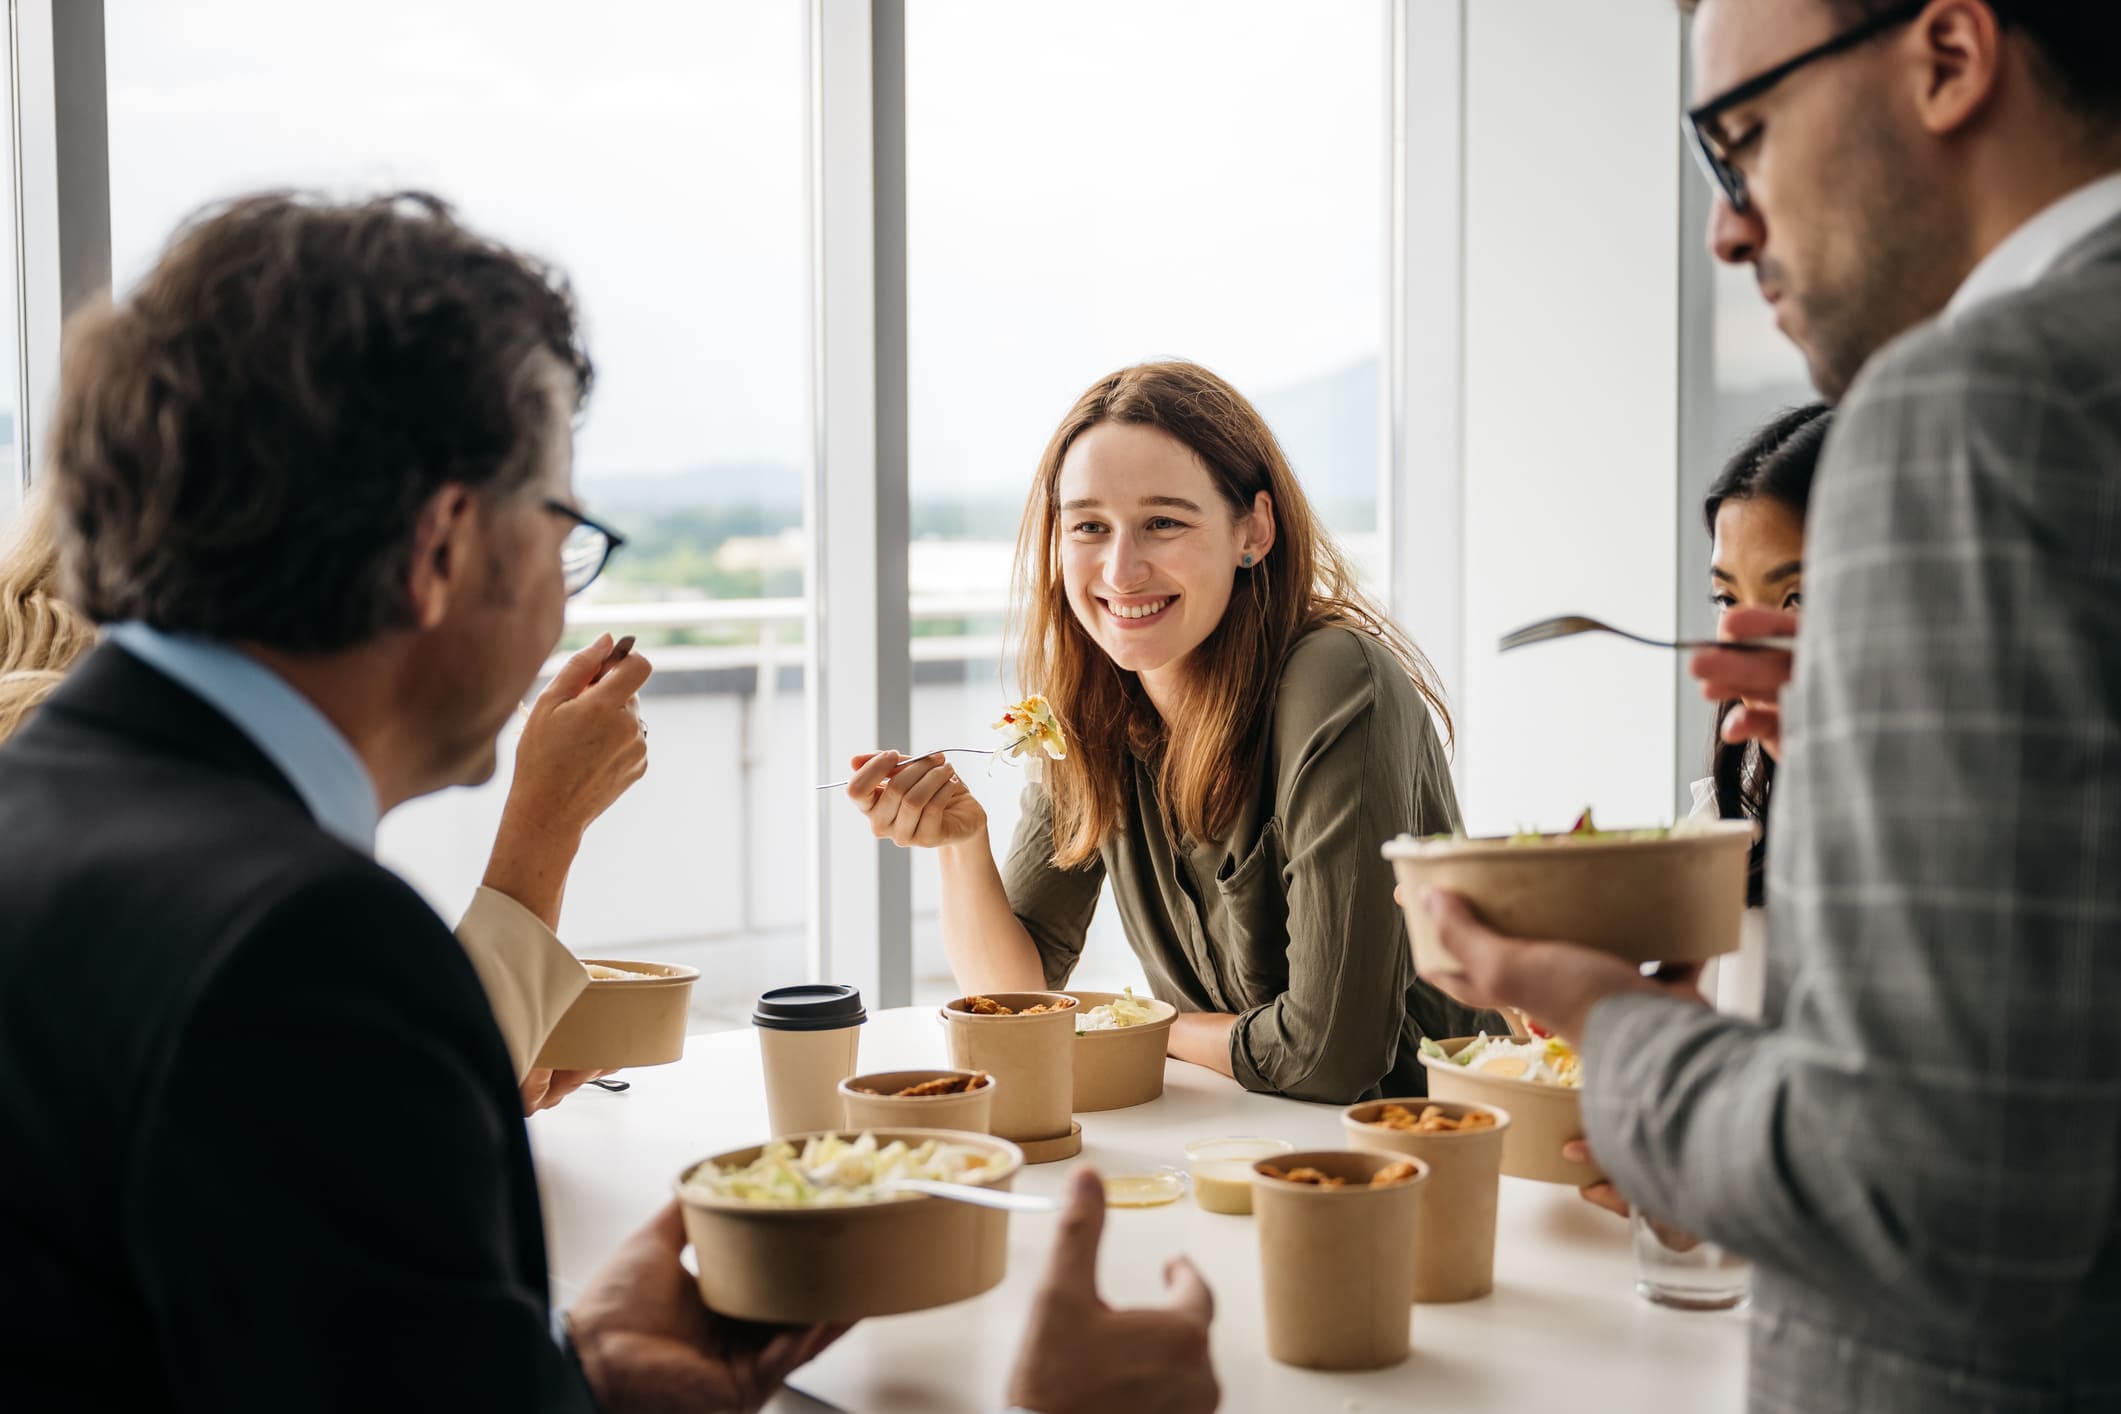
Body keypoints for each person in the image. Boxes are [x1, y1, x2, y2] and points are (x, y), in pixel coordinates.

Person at [0, 192, 1220, 1413]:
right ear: (441, 550)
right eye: (564, 533)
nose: (564, 600)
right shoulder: (301, 951)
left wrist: (582, 1383)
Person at [1425, 3, 2121, 1409]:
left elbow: (1934, 1191)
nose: (1726, 232)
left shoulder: (1972, 405)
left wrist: (1599, 1019)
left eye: (1737, 145)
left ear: (1946, 57)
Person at [847, 360, 1498, 1104]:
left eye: (1163, 522)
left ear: (1252, 530)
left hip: (1429, 1151)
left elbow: (1327, 1057)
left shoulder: (1333, 678)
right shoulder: (1084, 709)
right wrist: (961, 845)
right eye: (1088, 526)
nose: (1121, 572)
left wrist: (1149, 1023)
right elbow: (1018, 1009)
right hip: (1236, 1138)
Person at [0, 485, 645, 1114]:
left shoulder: (62, 785)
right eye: (550, 543)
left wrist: (480, 1058)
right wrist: (546, 820)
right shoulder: (220, 870)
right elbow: (380, 1115)